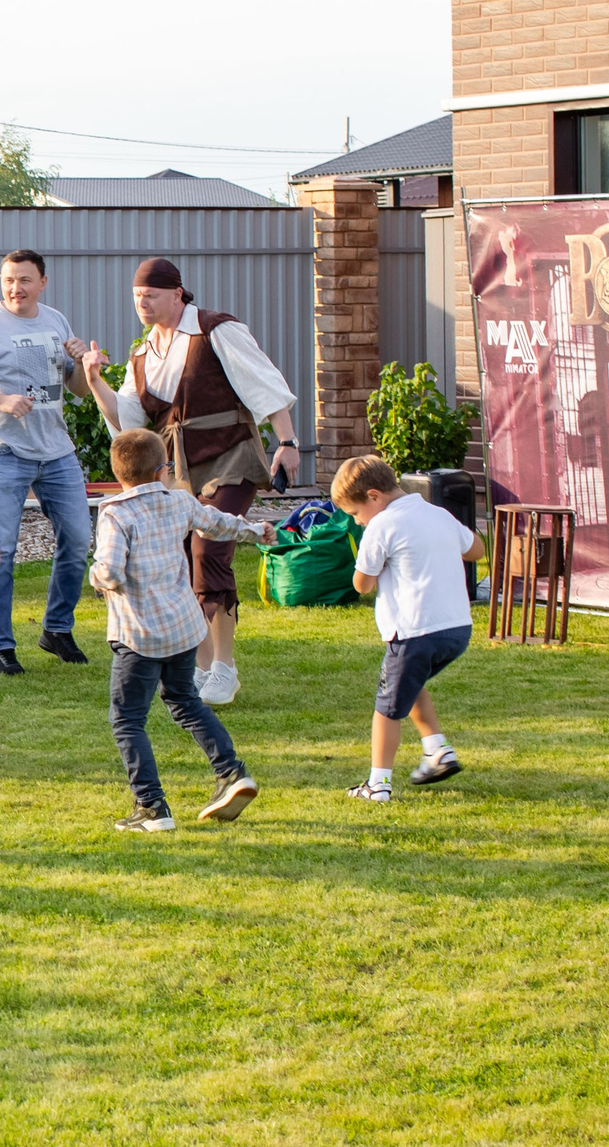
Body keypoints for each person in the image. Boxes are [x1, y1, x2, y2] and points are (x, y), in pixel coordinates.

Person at [79, 257, 302, 708]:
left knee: (207, 548)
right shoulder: (142, 354)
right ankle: (201, 669)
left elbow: (264, 384)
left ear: (177, 294)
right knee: (183, 558)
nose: (142, 302)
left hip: (231, 454)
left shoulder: (215, 330)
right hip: (178, 469)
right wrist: (95, 381)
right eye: (137, 296)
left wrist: (287, 442)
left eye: (151, 295)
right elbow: (129, 421)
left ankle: (223, 668)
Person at [88, 428, 275, 832]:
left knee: (127, 719)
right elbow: (217, 524)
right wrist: (256, 531)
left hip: (138, 635)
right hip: (182, 628)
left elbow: (110, 571)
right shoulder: (179, 501)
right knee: (185, 701)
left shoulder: (115, 513)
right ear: (163, 470)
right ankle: (231, 772)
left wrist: (95, 577)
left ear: (118, 474)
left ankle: (152, 807)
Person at [0, 249, 97, 677]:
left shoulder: (55, 320)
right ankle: (3, 646)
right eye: (8, 280)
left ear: (42, 282)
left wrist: (84, 364)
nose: (15, 288)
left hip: (56, 450)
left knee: (78, 540)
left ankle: (57, 629)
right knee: (0, 550)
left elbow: (78, 389)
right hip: (3, 450)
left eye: (24, 280)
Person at [334, 455, 483, 803]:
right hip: (457, 629)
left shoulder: (381, 526)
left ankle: (378, 784)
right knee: (410, 685)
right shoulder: (438, 513)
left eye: (355, 513)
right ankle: (437, 749)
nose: (357, 521)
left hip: (414, 631)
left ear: (373, 496)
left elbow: (362, 585)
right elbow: (476, 549)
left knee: (386, 709)